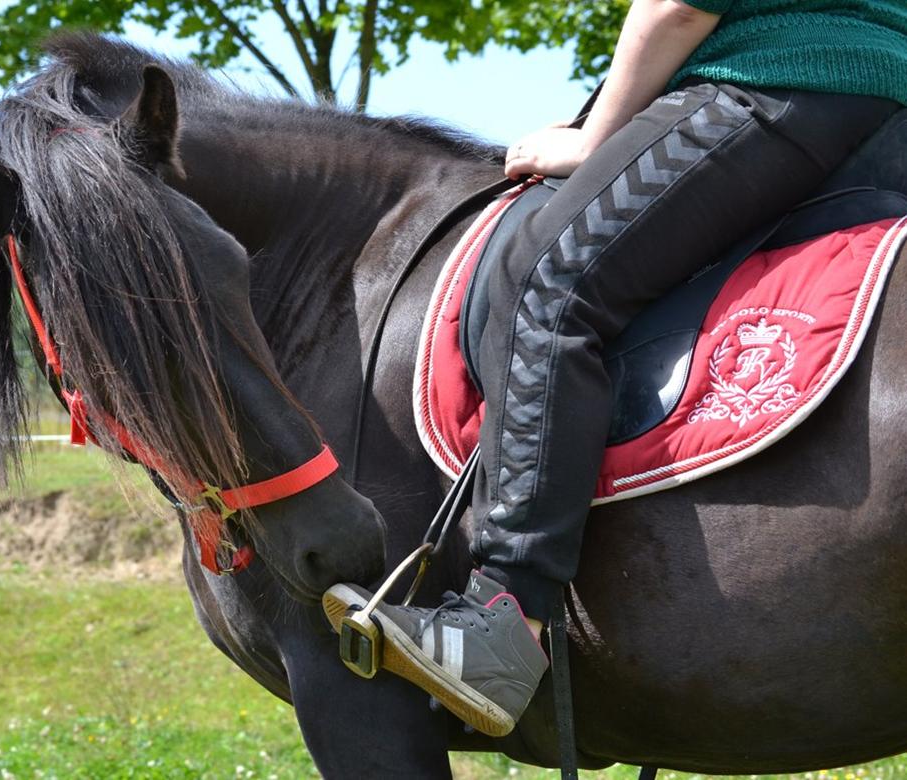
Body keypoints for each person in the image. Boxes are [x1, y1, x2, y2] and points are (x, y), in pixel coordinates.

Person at [325, 0, 907, 737]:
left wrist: (596, 139)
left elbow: (677, 8)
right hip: (883, 105)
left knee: (542, 281)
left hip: (770, 79)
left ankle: (503, 620)